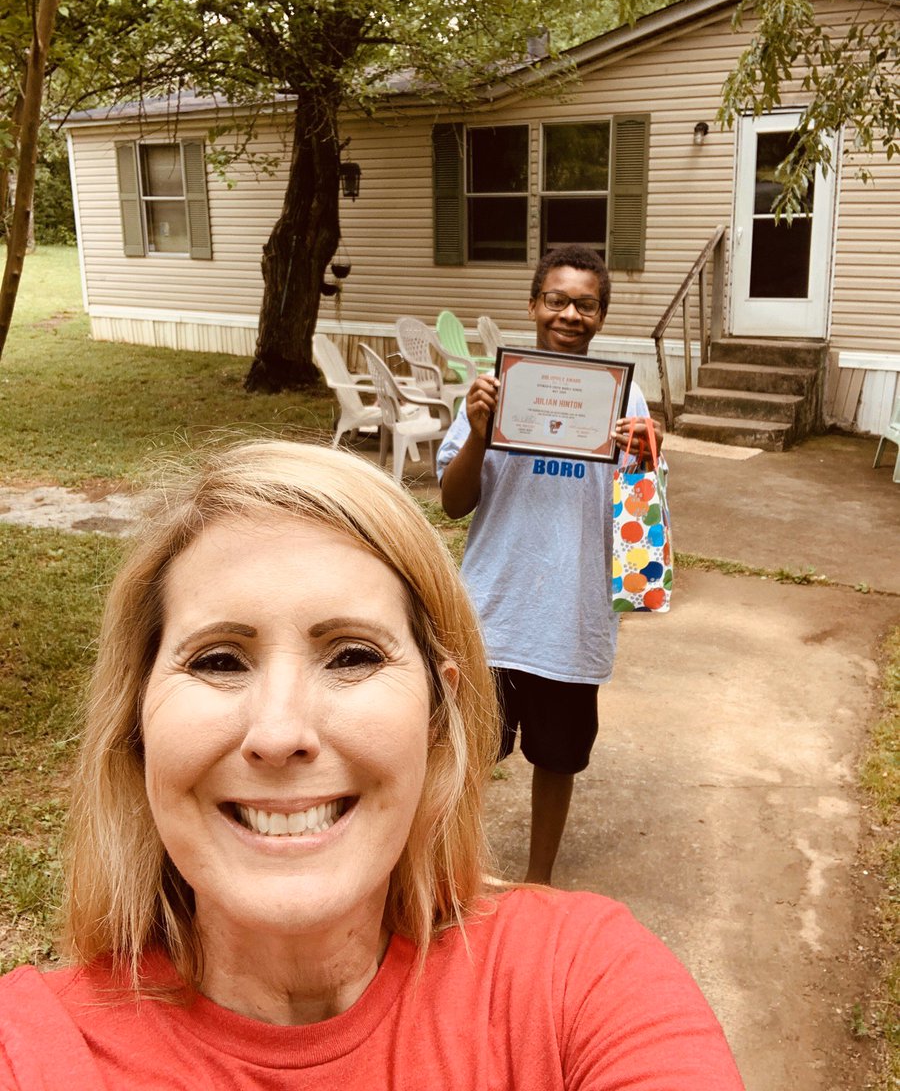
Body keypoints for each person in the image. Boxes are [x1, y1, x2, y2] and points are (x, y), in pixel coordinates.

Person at [0, 439, 742, 1089]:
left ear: (435, 715)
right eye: (219, 660)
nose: (280, 732)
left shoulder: (581, 980)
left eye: (353, 655)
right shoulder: (32, 1048)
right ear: (136, 724)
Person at [438, 244, 661, 886]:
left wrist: (646, 455)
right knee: (466, 754)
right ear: (534, 304)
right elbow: (455, 504)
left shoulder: (627, 402)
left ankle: (538, 883)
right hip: (492, 609)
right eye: (557, 299)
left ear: (601, 316)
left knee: (558, 758)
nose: (570, 314)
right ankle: (456, 875)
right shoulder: (495, 391)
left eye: (585, 304)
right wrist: (480, 429)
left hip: (571, 612)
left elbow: (641, 523)